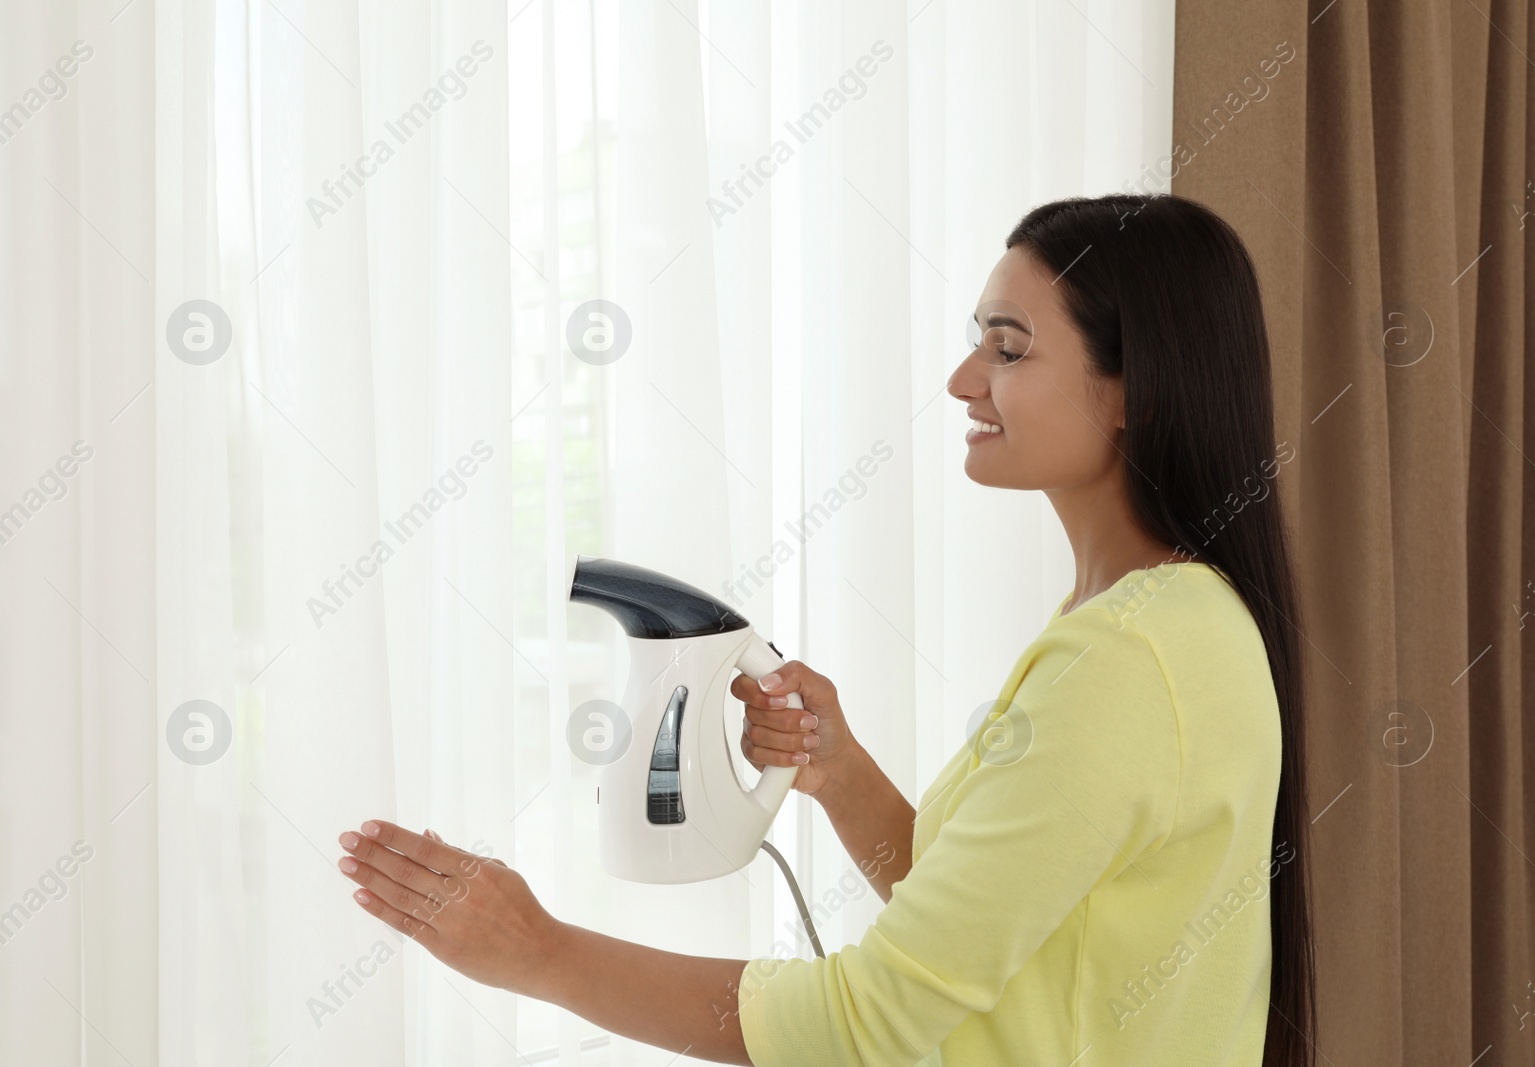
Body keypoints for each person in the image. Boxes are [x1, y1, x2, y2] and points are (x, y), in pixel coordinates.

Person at [333, 192, 1317, 1066]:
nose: (962, 379)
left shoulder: (1129, 658)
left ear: (1134, 389)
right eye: (976, 337)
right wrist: (837, 771)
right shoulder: (1153, 620)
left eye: (1008, 347)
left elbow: (866, 1020)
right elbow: (972, 928)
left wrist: (540, 951)